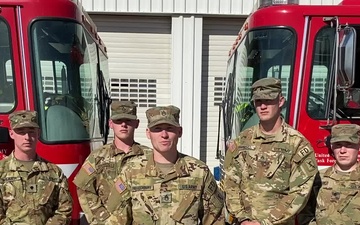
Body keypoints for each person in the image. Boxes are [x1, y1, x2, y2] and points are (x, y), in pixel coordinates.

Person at [223, 77, 318, 225]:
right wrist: (243, 218)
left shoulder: (297, 144)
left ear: (280, 101)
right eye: (258, 101)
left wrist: (265, 222)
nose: (263, 106)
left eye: (268, 101)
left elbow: (299, 193)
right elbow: (230, 183)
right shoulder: (242, 141)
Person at [108, 105, 224, 224]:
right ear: (148, 133)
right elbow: (116, 219)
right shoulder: (131, 172)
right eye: (157, 129)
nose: (164, 135)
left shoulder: (199, 172)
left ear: (179, 132)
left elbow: (215, 218)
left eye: (169, 128)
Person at [73, 101, 151, 224]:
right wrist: (100, 217)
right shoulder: (98, 157)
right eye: (119, 121)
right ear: (110, 124)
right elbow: (83, 187)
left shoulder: (149, 156)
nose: (124, 125)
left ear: (136, 124)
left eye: (128, 120)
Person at [0, 110, 72, 224]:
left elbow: (64, 209)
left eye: (31, 131)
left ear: (38, 133)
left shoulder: (54, 172)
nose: (27, 137)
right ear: (11, 134)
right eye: (21, 132)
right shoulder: (1, 171)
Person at [310, 124, 360, 224]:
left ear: (358, 146)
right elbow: (306, 213)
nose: (342, 150)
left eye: (348, 144)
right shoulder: (318, 178)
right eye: (338, 145)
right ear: (332, 146)